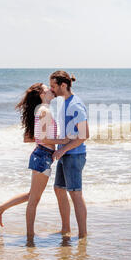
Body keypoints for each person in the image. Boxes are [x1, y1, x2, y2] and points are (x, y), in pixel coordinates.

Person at [0, 83, 70, 241]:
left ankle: (0, 209)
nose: (51, 89)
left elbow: (30, 137)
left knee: (31, 195)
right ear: (41, 93)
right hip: (42, 156)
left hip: (42, 155)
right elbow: (44, 138)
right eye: (47, 87)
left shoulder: (42, 110)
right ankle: (30, 237)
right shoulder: (44, 111)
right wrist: (65, 140)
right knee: (34, 199)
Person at [49, 71, 90, 239]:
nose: (51, 89)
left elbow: (84, 134)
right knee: (59, 189)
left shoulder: (75, 105)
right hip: (65, 154)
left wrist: (62, 150)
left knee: (75, 194)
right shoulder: (63, 103)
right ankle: (65, 228)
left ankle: (82, 235)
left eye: (53, 86)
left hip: (74, 155)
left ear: (63, 85)